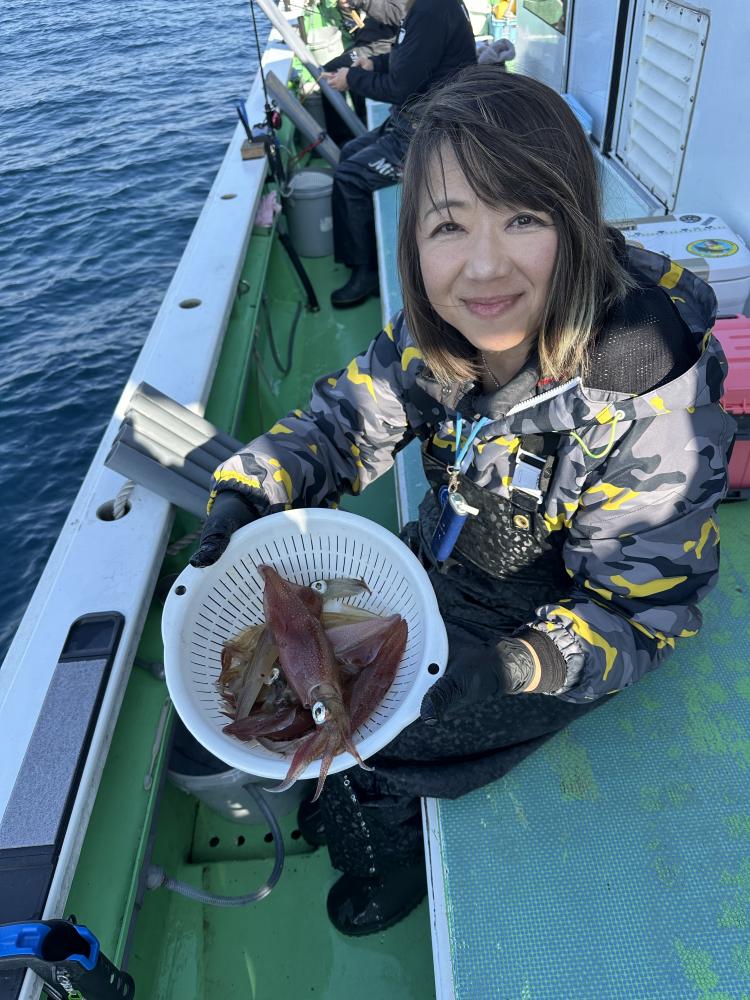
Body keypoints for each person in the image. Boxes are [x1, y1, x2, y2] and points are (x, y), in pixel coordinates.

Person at [190, 67, 734, 935]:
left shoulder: (644, 390)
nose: (484, 265)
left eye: (524, 218)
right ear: (415, 240)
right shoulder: (443, 328)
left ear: (576, 223)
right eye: (449, 224)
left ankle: (396, 823)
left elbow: (643, 611)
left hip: (560, 629)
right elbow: (344, 421)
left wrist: (518, 666)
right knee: (332, 680)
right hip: (456, 563)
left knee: (392, 728)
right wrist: (253, 490)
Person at [320, 0, 476, 309]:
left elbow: (398, 88)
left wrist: (351, 79)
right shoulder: (424, 9)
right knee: (349, 151)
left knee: (349, 177)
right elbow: (412, 58)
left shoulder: (431, 11)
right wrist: (374, 64)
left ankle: (366, 274)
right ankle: (360, 250)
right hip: (413, 118)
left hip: (432, 133)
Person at [321, 0, 406, 146]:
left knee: (330, 71)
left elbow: (400, 15)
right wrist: (347, 7)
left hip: (383, 48)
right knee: (343, 71)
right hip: (366, 39)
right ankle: (357, 128)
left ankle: (342, 140)